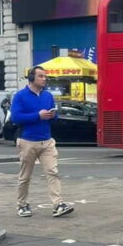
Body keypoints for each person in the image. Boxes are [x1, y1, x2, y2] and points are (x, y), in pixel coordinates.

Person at [9, 67, 74, 219]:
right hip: (27, 140)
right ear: (32, 78)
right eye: (41, 76)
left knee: (52, 172)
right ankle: (22, 204)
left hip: (47, 140)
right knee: (25, 176)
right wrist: (38, 116)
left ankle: (58, 204)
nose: (44, 79)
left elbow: (54, 119)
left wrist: (52, 116)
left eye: (45, 77)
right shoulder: (20, 96)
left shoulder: (48, 96)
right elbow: (15, 118)